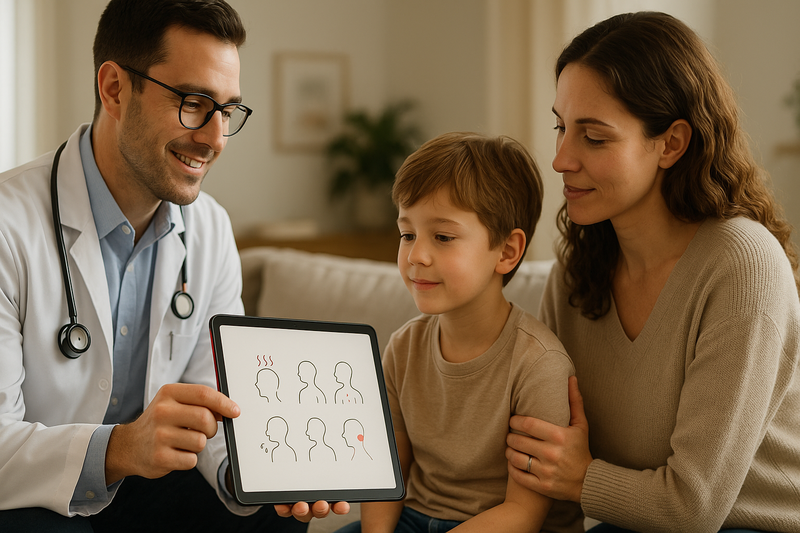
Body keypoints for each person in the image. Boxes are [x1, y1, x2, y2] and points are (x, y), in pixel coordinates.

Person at [0, 0, 345, 530]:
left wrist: (254, 474)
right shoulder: (8, 224)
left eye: (226, 111)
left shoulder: (210, 229)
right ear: (114, 89)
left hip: (146, 488)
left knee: (271, 514)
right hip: (31, 490)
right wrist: (121, 448)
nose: (215, 138)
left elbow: (216, 402)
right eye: (193, 103)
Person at [504, 11, 800, 532]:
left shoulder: (742, 266)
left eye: (594, 137)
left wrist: (579, 479)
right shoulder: (577, 271)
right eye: (560, 128)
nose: (561, 159)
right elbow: (549, 464)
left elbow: (692, 509)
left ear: (671, 144)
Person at [335, 132, 584, 533]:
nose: (417, 255)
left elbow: (523, 514)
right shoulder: (403, 348)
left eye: (443, 237)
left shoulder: (538, 364)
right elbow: (388, 471)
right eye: (407, 234)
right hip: (417, 518)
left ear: (507, 251)